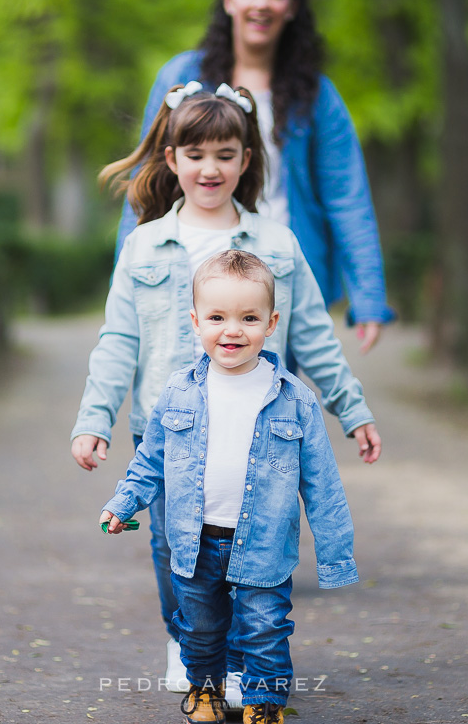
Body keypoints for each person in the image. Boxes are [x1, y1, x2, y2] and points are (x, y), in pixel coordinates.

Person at [71, 83, 379, 708]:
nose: (210, 168)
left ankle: (241, 664)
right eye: (195, 153)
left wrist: (353, 409)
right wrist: (95, 418)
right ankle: (188, 640)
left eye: (225, 153)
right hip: (168, 428)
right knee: (173, 551)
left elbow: (315, 335)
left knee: (255, 548)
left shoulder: (278, 245)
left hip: (262, 433)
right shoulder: (144, 245)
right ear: (171, 159)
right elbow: (117, 339)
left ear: (246, 160)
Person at [100, 250, 359, 724]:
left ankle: (264, 705)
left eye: (249, 317)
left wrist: (335, 555)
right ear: (196, 322)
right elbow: (151, 459)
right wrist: (124, 502)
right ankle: (206, 691)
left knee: (265, 629)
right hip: (194, 540)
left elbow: (323, 484)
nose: (232, 330)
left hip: (264, 542)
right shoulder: (179, 391)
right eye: (217, 317)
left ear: (271, 322)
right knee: (198, 630)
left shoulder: (294, 400)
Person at [117, 0, 395, 357]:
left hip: (279, 275)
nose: (261, 3)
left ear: (292, 7)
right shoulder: (181, 76)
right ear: (230, 0)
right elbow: (148, 181)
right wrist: (124, 284)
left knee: (270, 406)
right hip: (189, 270)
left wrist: (369, 297)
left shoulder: (317, 95)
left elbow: (347, 196)